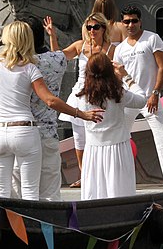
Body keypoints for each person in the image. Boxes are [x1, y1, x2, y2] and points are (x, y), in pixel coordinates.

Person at [0, 21, 103, 200]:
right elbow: (49, 100)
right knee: (30, 192)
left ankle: (5, 227)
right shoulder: (30, 68)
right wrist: (81, 114)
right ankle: (34, 227)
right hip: (25, 130)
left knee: (2, 193)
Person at [114, 5, 163, 188]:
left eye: (134, 21)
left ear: (140, 21)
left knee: (162, 136)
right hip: (128, 98)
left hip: (149, 98)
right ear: (122, 23)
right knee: (119, 137)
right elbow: (118, 76)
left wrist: (155, 92)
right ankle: (119, 178)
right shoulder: (119, 49)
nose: (130, 25)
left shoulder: (152, 39)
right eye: (127, 21)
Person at [45, 12, 115, 187]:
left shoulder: (110, 48)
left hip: (101, 95)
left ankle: (100, 174)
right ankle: (85, 175)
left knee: (100, 136)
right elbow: (57, 57)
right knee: (79, 139)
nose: (92, 30)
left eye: (95, 27)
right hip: (80, 95)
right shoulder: (80, 45)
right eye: (89, 27)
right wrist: (52, 36)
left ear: (103, 28)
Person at [76, 53, 148, 200]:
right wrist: (126, 77)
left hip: (93, 150)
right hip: (118, 148)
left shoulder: (82, 96)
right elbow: (141, 100)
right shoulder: (118, 93)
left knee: (94, 193)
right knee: (120, 192)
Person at [14, 16, 67, 201]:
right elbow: (56, 56)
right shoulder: (58, 59)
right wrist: (52, 37)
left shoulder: (17, 65)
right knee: (50, 193)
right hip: (48, 132)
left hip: (21, 132)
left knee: (21, 193)